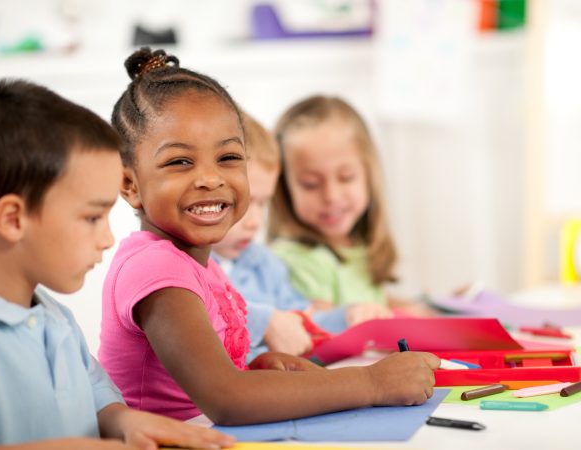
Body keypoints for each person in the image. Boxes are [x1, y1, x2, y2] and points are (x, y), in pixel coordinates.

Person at [98, 47, 440, 426]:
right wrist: (372, 382)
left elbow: (219, 383)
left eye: (228, 157)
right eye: (180, 162)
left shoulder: (198, 263)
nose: (211, 178)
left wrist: (256, 370)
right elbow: (226, 399)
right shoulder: (155, 268)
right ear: (129, 184)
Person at [0, 80, 234, 449]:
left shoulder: (54, 317)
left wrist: (127, 423)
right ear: (13, 219)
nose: (106, 239)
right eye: (92, 218)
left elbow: (100, 400)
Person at [269, 95, 436, 323]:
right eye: (311, 184)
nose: (331, 196)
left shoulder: (356, 245)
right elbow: (319, 329)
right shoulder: (297, 259)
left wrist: (426, 306)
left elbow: (374, 301)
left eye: (346, 178)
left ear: (369, 175)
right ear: (285, 189)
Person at [211, 111, 352, 362]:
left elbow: (301, 321)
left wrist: (347, 317)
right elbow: (202, 317)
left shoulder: (265, 265)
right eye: (241, 203)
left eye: (262, 203)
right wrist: (262, 322)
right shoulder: (189, 268)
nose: (255, 222)